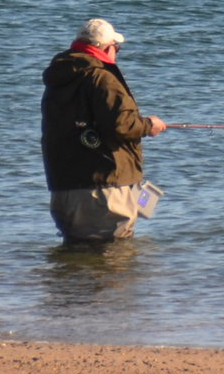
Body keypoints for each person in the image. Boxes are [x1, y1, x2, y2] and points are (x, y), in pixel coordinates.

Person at [40, 18, 168, 243]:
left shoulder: (58, 78)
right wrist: (149, 125)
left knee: (74, 262)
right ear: (106, 48)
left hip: (64, 187)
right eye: (116, 47)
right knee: (115, 261)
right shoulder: (102, 77)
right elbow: (121, 125)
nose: (116, 52)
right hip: (105, 188)